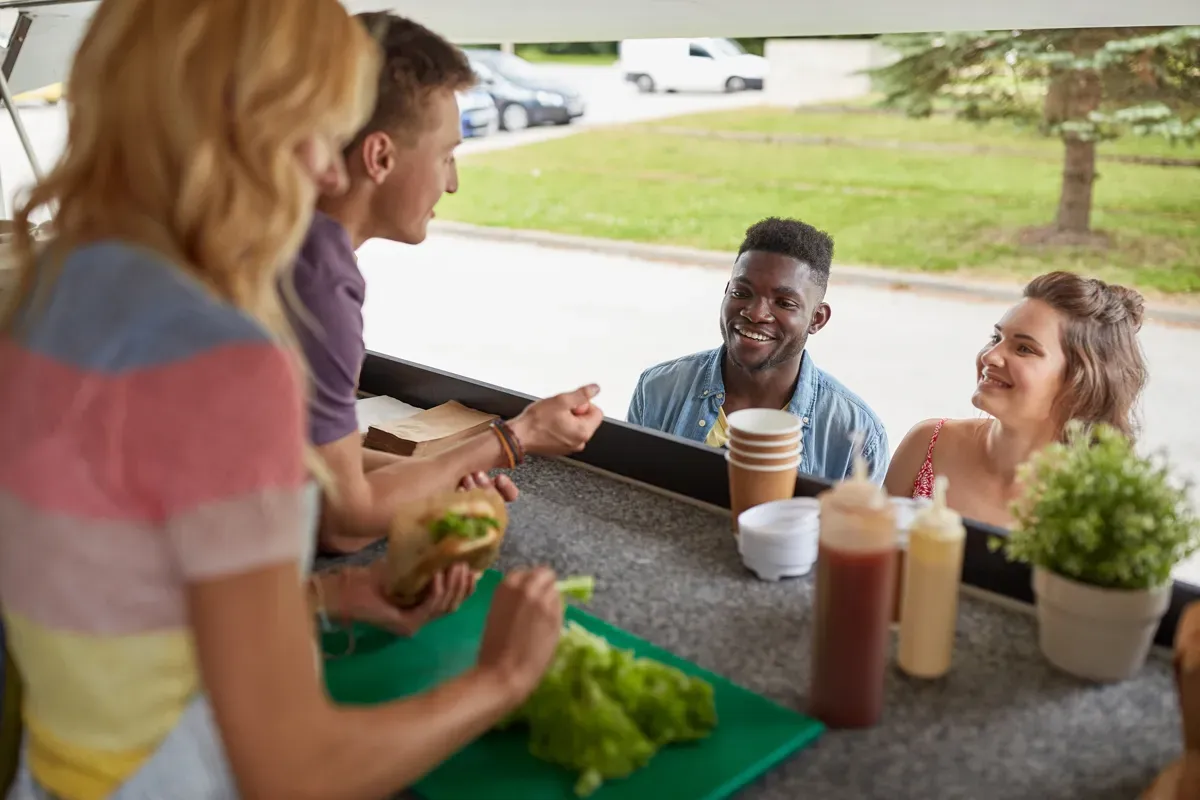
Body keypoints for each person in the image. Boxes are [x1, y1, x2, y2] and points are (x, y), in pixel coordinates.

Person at [0, 2, 564, 799]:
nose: (331, 173)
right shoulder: (224, 362)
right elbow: (294, 770)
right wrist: (503, 677)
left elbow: (113, 590)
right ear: (238, 126)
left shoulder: (46, 294)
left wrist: (329, 595)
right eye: (314, 129)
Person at [287, 12, 604, 556]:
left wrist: (443, 478)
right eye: (445, 155)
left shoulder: (284, 236)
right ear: (380, 156)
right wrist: (514, 438)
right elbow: (343, 519)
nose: (452, 182)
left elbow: (307, 460)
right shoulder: (319, 280)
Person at [627, 216, 889, 483]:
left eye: (784, 303)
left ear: (817, 319)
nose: (755, 313)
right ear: (727, 291)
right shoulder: (658, 390)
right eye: (742, 293)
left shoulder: (857, 434)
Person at [884, 271, 1148, 528]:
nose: (990, 356)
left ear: (1081, 380)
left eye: (1024, 348)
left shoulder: (1100, 503)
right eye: (996, 338)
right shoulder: (928, 443)